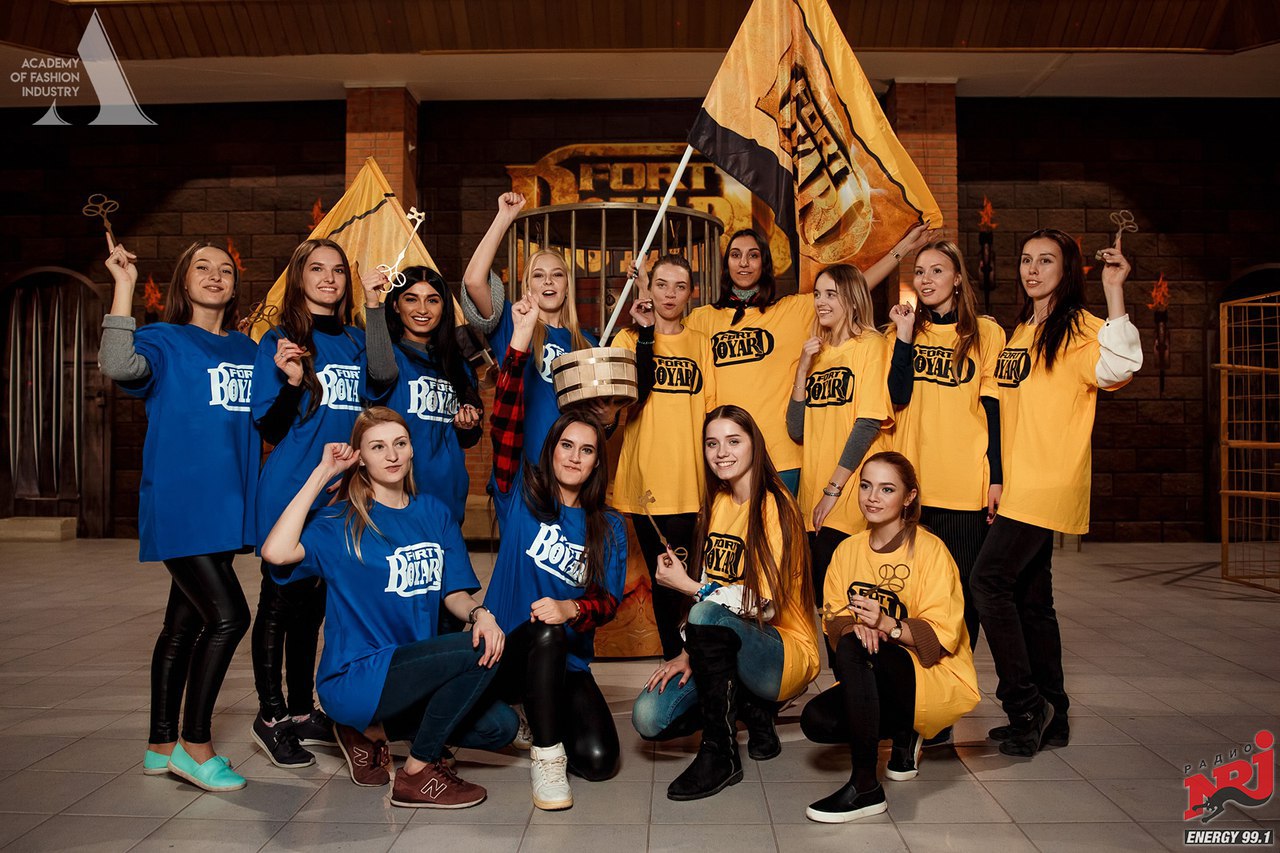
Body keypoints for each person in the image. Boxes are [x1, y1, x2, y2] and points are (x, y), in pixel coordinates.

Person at [261, 407, 515, 808]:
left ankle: (367, 731)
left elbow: (454, 594)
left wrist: (480, 615)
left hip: (410, 671)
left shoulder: (434, 513)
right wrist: (323, 473)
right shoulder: (342, 521)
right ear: (360, 457)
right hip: (356, 674)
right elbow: (275, 551)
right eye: (377, 447)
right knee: (479, 651)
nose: (392, 455)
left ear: (412, 449)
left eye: (400, 443)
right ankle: (417, 773)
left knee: (501, 727)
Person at [973, 229, 1142, 757]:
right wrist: (997, 477)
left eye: (1045, 261)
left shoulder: (1079, 326)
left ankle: (1026, 706)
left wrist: (1114, 290)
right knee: (1031, 598)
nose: (1032, 269)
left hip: (1046, 479)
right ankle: (1054, 714)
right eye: (1026, 259)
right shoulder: (1023, 329)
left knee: (988, 582)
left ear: (1066, 270)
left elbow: (1120, 368)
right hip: (1017, 481)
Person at [98, 239, 257, 792]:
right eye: (202, 268)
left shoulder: (247, 348)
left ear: (235, 286)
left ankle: (160, 745)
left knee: (181, 626)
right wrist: (123, 285)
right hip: (182, 503)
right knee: (230, 617)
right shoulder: (164, 339)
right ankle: (196, 745)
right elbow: (118, 364)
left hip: (227, 505)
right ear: (183, 282)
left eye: (225, 269)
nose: (215, 276)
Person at [482, 293, 628, 810]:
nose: (575, 457)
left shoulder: (608, 525)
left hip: (566, 661)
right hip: (504, 649)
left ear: (596, 463)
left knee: (599, 760)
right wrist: (520, 341)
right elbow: (504, 423)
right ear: (552, 450)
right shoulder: (520, 495)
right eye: (567, 445)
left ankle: (538, 710)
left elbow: (607, 601)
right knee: (544, 629)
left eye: (587, 450)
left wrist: (573, 609)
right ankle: (546, 760)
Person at [632, 405, 819, 801]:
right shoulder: (717, 504)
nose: (721, 452)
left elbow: (761, 604)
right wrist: (690, 651)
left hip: (782, 652)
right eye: (712, 443)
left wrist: (687, 587)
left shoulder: (776, 507)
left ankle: (721, 754)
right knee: (648, 717)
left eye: (734, 441)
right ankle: (753, 711)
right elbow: (714, 588)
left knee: (702, 611)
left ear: (755, 445)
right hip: (729, 640)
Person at [800, 452, 980, 822]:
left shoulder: (931, 551)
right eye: (866, 486)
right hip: (875, 671)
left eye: (887, 489)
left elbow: (939, 640)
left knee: (856, 645)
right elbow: (834, 619)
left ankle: (866, 786)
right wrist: (855, 626)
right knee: (817, 719)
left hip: (932, 676)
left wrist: (887, 625)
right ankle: (904, 731)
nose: (872, 497)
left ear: (909, 497)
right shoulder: (847, 550)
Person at [685, 227, 931, 495]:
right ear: (726, 264)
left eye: (753, 255)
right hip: (727, 458)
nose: (744, 263)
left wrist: (904, 248)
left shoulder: (793, 310)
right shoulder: (702, 319)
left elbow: (852, 287)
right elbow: (669, 335)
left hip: (783, 458)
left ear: (764, 263)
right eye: (735, 255)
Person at [884, 240, 1006, 747]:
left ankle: (946, 700)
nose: (928, 279)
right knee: (912, 596)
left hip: (964, 486)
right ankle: (914, 696)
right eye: (920, 271)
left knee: (962, 602)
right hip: (915, 489)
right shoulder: (904, 331)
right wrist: (904, 338)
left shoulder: (986, 333)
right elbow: (896, 395)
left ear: (958, 278)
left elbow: (995, 411)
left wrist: (997, 476)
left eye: (938, 270)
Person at [250, 238, 365, 768]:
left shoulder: (357, 340)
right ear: (299, 277)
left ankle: (300, 710)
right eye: (317, 269)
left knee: (313, 609)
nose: (328, 278)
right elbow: (271, 427)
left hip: (339, 493)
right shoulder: (279, 340)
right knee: (278, 604)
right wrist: (294, 382)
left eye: (337, 270)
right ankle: (270, 715)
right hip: (293, 489)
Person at [611, 254, 718, 662]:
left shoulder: (701, 344)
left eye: (679, 286)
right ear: (649, 289)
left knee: (690, 576)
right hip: (647, 479)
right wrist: (644, 333)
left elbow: (710, 412)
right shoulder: (627, 341)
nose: (670, 294)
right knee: (664, 577)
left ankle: (693, 658)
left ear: (691, 293)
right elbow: (633, 397)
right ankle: (675, 659)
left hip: (690, 480)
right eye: (661, 285)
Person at [459, 192, 618, 465]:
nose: (548, 282)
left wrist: (608, 419)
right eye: (538, 275)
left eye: (557, 275)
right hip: (521, 467)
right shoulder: (513, 324)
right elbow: (474, 281)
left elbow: (596, 425)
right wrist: (504, 217)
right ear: (528, 286)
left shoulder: (587, 344)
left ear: (566, 287)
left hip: (569, 468)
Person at [786, 264, 892, 606]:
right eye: (818, 294)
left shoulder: (871, 345)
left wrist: (833, 491)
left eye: (831, 294)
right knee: (818, 600)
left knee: (842, 600)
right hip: (812, 493)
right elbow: (796, 429)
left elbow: (868, 423)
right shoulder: (816, 354)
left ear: (853, 298)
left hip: (848, 491)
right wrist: (802, 370)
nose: (821, 302)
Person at [360, 265, 483, 524]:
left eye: (433, 300)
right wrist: (373, 303)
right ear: (396, 305)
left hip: (448, 495)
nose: (423, 309)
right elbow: (381, 374)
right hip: (396, 493)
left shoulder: (457, 365)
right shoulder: (387, 357)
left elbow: (468, 439)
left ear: (444, 307)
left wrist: (467, 424)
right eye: (411, 299)